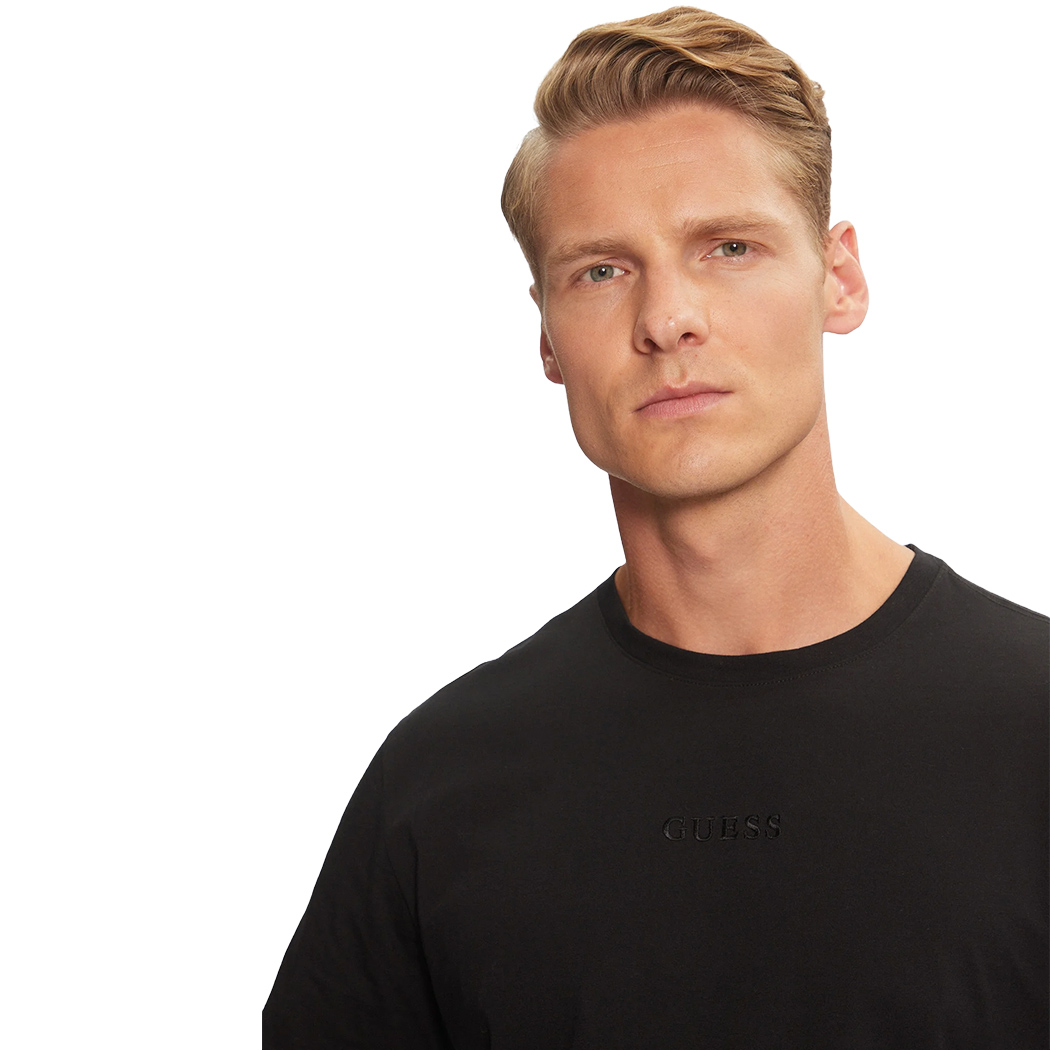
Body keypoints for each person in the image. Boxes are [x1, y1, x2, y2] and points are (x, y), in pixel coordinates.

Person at [263, 7, 1048, 1047]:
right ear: (548, 336)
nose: (667, 318)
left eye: (729, 247)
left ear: (840, 278)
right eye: (602, 269)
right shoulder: (439, 789)